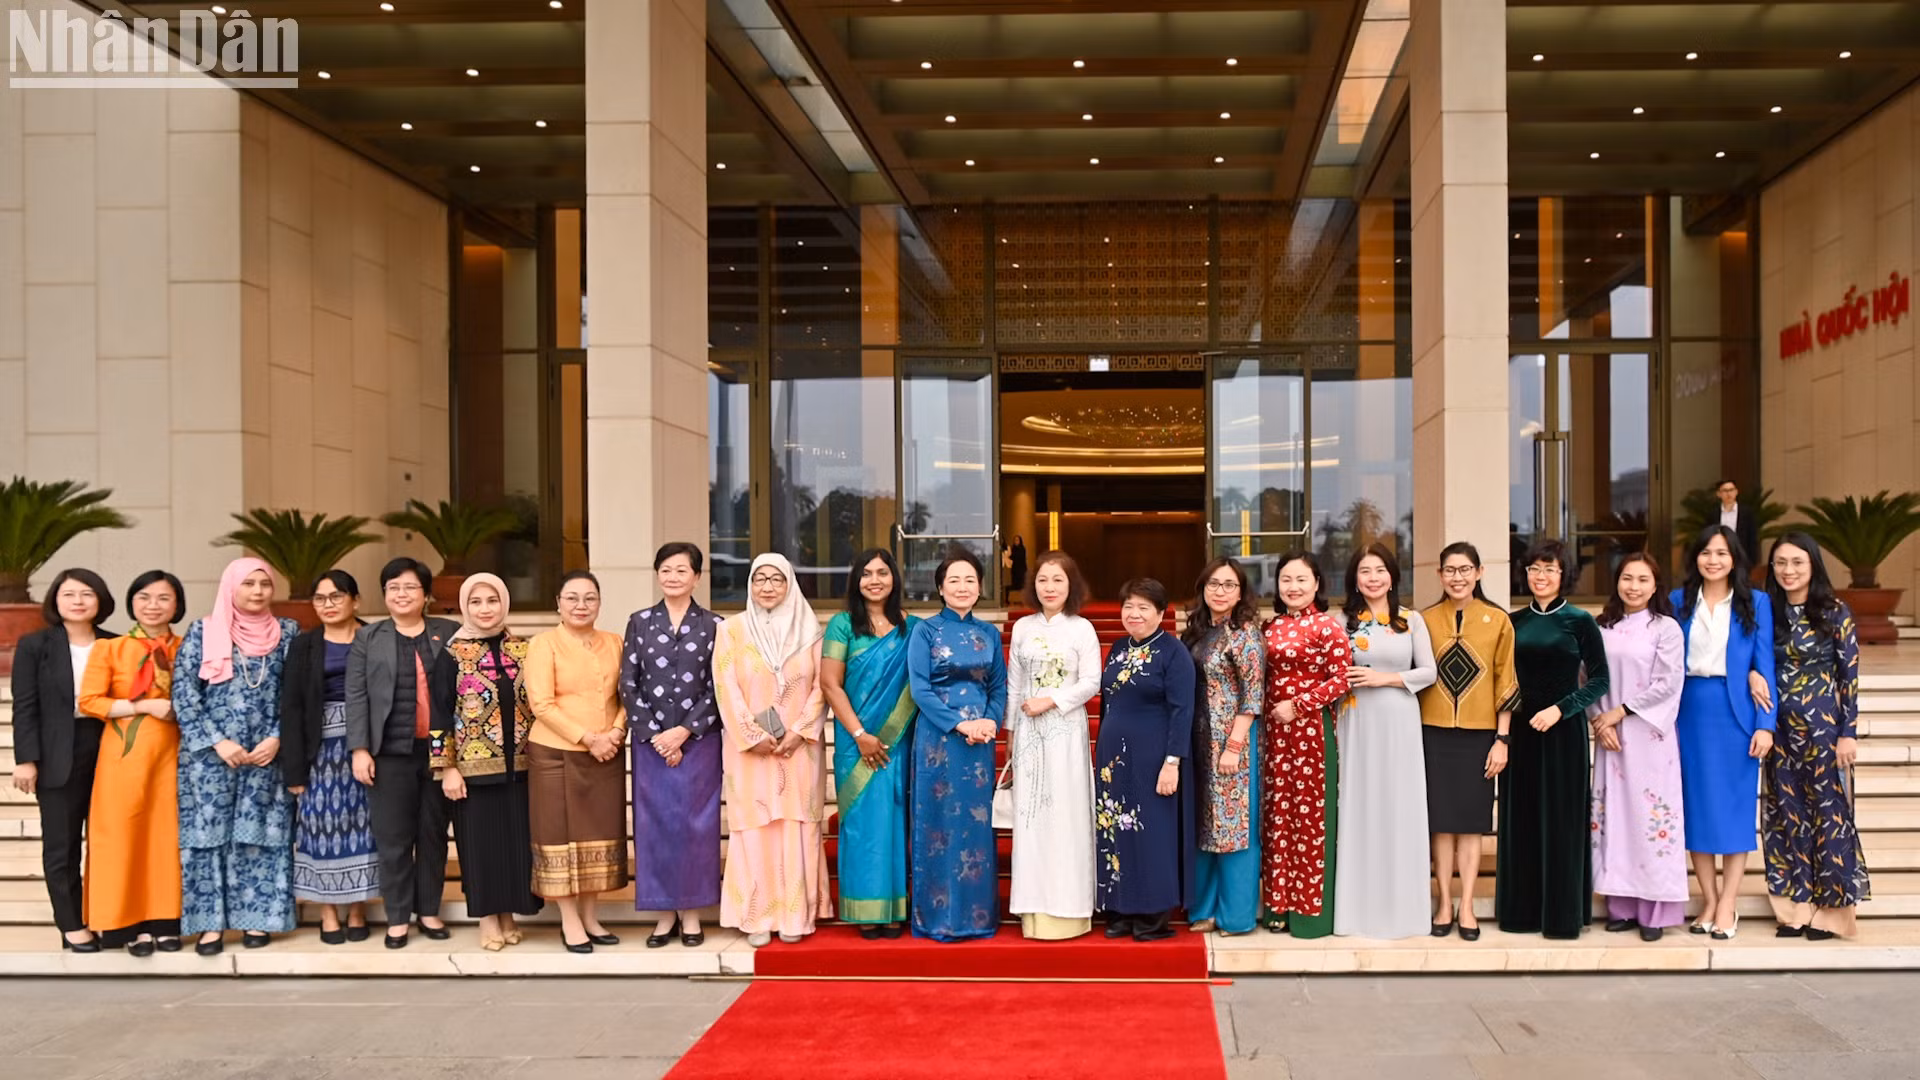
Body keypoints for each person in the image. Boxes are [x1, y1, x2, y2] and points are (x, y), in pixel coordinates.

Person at [172, 557, 300, 954]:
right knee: (206, 838)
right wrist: (217, 741)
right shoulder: (203, 631)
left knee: (261, 834)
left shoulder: (288, 632)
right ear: (231, 587)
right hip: (209, 759)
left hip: (266, 756)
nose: (258, 591)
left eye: (265, 583)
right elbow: (184, 693)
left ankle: (257, 920)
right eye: (248, 583)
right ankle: (209, 927)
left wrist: (278, 737)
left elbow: (297, 693)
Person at [715, 553, 832, 947]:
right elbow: (725, 687)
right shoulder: (730, 631)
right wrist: (753, 735)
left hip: (799, 751)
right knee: (755, 829)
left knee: (795, 827)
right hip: (750, 753)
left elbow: (822, 686)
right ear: (749, 584)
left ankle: (796, 916)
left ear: (790, 584)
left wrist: (799, 731)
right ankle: (757, 917)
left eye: (776, 579)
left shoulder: (810, 631)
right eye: (759, 579)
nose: (767, 586)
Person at [345, 557, 458, 949]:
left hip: (439, 752)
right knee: (393, 838)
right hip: (390, 753)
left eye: (410, 587)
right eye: (393, 587)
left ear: (426, 595)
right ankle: (397, 917)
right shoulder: (368, 637)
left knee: (433, 835)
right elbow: (356, 695)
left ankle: (428, 910)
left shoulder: (449, 632)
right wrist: (360, 748)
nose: (401, 594)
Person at [1501, 539, 1610, 939]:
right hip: (1521, 733)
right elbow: (1503, 679)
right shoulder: (1512, 622)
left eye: (1549, 569)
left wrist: (1561, 709)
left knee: (1562, 821)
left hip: (1564, 733)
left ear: (1564, 575)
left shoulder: (1580, 621)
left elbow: (1600, 680)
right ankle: (1521, 914)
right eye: (1534, 569)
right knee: (1522, 818)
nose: (1540, 576)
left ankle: (1562, 917)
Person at [1672, 524, 1777, 940]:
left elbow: (1765, 665)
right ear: (1695, 558)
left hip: (1736, 714)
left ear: (1734, 559)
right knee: (1695, 809)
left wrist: (1765, 724)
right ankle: (1709, 899)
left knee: (1734, 812)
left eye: (1721, 553)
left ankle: (1729, 902)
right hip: (1689, 712)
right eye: (1705, 553)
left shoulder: (1757, 602)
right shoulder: (1678, 601)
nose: (1713, 560)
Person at [1763, 532, 1870, 939]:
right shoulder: (1767, 611)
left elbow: (1849, 677)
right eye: (1780, 562)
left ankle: (1832, 913)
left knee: (1829, 817)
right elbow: (1754, 659)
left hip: (1824, 730)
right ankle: (1796, 908)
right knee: (1787, 815)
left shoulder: (1835, 611)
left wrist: (1849, 733)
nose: (1788, 570)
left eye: (1797, 562)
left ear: (1813, 565)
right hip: (1779, 732)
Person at [620, 543, 725, 948]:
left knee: (698, 826)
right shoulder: (640, 622)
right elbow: (628, 683)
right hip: (651, 743)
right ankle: (664, 914)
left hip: (700, 741)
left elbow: (720, 685)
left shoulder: (716, 625)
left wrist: (684, 731)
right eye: (666, 569)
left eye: (682, 570)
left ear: (697, 577)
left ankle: (693, 914)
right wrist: (657, 734)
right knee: (655, 826)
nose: (673, 577)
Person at [432, 572, 543, 951]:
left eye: (492, 600)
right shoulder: (451, 654)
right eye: (475, 602)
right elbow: (438, 713)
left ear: (505, 604)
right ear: (465, 606)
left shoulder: (523, 650)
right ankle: (486, 920)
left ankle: (508, 915)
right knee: (480, 848)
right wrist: (446, 767)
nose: (485, 609)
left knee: (514, 846)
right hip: (472, 772)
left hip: (523, 769)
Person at [76, 571, 185, 955]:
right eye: (144, 597)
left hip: (177, 754)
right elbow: (90, 701)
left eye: (163, 598)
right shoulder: (111, 648)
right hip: (124, 756)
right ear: (131, 603)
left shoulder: (189, 647)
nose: (153, 606)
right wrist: (144, 705)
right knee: (124, 838)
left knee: (167, 839)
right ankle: (129, 925)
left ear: (177, 605)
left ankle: (167, 922)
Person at [11, 568, 118, 951]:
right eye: (69, 594)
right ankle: (72, 924)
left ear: (100, 600)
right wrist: (26, 759)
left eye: (87, 593)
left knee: (110, 843)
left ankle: (110, 919)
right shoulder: (35, 645)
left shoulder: (116, 643)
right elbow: (25, 706)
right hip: (58, 752)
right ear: (55, 600)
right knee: (62, 845)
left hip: (109, 748)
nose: (77, 601)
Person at [1333, 545, 1436, 941]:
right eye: (1365, 571)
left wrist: (1385, 679)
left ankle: (1403, 913)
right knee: (1359, 805)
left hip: (1399, 720)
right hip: (1356, 720)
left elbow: (1428, 672)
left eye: (1379, 570)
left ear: (1392, 576)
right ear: (1354, 579)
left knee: (1399, 806)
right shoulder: (1342, 621)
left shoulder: (1411, 620)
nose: (1373, 578)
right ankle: (1357, 912)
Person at [1418, 541, 1518, 942]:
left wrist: (1502, 739)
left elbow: (1506, 681)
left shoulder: (1498, 621)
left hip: (1480, 736)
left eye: (1465, 570)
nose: (1457, 577)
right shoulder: (1423, 620)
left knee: (1472, 826)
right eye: (1450, 570)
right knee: (1441, 826)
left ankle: (1468, 906)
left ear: (1478, 573)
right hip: (1433, 733)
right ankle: (1444, 902)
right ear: (1439, 575)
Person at [526, 569, 629, 952]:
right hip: (556, 754)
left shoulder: (614, 642)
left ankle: (590, 916)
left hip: (607, 753)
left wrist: (616, 732)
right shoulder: (543, 644)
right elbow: (541, 704)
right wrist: (588, 738)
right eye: (572, 597)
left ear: (599, 603)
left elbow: (628, 693)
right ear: (558, 603)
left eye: (590, 598)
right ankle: (569, 920)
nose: (581, 605)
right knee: (559, 837)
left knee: (596, 834)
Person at [907, 550, 1007, 942]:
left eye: (970, 580)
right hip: (938, 739)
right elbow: (920, 689)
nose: (962, 587)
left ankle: (977, 917)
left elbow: (998, 687)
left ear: (980, 587)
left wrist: (990, 721)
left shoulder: (990, 634)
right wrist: (960, 723)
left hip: (979, 743)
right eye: (954, 580)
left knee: (975, 827)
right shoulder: (925, 631)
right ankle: (937, 917)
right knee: (937, 825)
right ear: (940, 588)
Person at [1589, 552, 1688, 942]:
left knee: (1650, 820)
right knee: (1614, 817)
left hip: (1649, 738)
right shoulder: (1601, 627)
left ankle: (1654, 910)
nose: (1633, 586)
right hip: (1610, 738)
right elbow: (1587, 677)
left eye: (1643, 579)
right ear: (1617, 581)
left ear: (1655, 585)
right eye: (1627, 578)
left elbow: (1668, 683)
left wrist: (1620, 712)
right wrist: (1599, 720)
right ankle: (1621, 906)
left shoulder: (1665, 629)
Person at [821, 548, 919, 938]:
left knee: (894, 820)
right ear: (856, 580)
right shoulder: (842, 625)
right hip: (856, 742)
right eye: (866, 573)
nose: (874, 580)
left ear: (894, 578)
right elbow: (830, 684)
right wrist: (861, 735)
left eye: (882, 572)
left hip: (897, 741)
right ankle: (864, 909)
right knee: (862, 825)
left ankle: (894, 907)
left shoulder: (912, 627)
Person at [1004, 550, 1099, 940]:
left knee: (1066, 816)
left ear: (1071, 585)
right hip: (1029, 736)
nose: (1050, 587)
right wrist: (1010, 734)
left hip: (1065, 732)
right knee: (1032, 820)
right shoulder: (1023, 628)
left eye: (1058, 579)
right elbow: (1014, 686)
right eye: (1043, 579)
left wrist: (1051, 700)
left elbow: (1091, 682)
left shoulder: (1082, 629)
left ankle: (1070, 910)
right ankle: (1035, 911)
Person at [1095, 577, 1195, 941]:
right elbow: (1108, 702)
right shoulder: (1118, 647)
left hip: (1153, 758)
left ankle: (1152, 915)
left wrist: (1173, 762)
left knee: (1151, 833)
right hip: (1113, 761)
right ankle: (1120, 909)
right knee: (1114, 831)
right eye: (1128, 606)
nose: (1134, 614)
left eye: (1143, 607)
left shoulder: (1173, 652)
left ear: (1161, 612)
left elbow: (1182, 711)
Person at [280, 570, 377, 945]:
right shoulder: (304, 646)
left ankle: (357, 909)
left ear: (356, 600)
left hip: (367, 743)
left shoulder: (374, 637)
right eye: (320, 599)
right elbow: (291, 707)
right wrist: (294, 771)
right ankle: (328, 911)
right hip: (318, 746)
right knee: (319, 825)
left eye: (336, 596)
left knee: (365, 826)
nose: (328, 605)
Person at [1260, 550, 1351, 939]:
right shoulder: (1269, 626)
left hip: (1311, 731)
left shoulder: (1327, 627)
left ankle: (1310, 915)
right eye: (1286, 579)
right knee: (1277, 816)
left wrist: (1297, 706)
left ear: (1316, 584)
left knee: (1309, 820)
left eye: (1301, 579)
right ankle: (1277, 908)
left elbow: (1342, 678)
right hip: (1273, 734)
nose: (1293, 587)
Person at [1182, 557, 1264, 937]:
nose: (1220, 591)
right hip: (1199, 743)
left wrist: (1233, 746)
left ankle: (1236, 916)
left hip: (1233, 744)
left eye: (1229, 585)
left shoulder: (1245, 633)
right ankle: (1205, 908)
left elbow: (1253, 695)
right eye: (1214, 584)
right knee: (1206, 827)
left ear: (1241, 592)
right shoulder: (1199, 631)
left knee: (1235, 830)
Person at [1715, 479, 1760, 566]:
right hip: (1720, 556)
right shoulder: (1714, 514)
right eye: (1725, 491)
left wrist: (1752, 561)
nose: (1729, 494)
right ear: (1719, 494)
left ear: (1736, 492)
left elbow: (1752, 538)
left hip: (1741, 557)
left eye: (1731, 490)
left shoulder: (1746, 513)